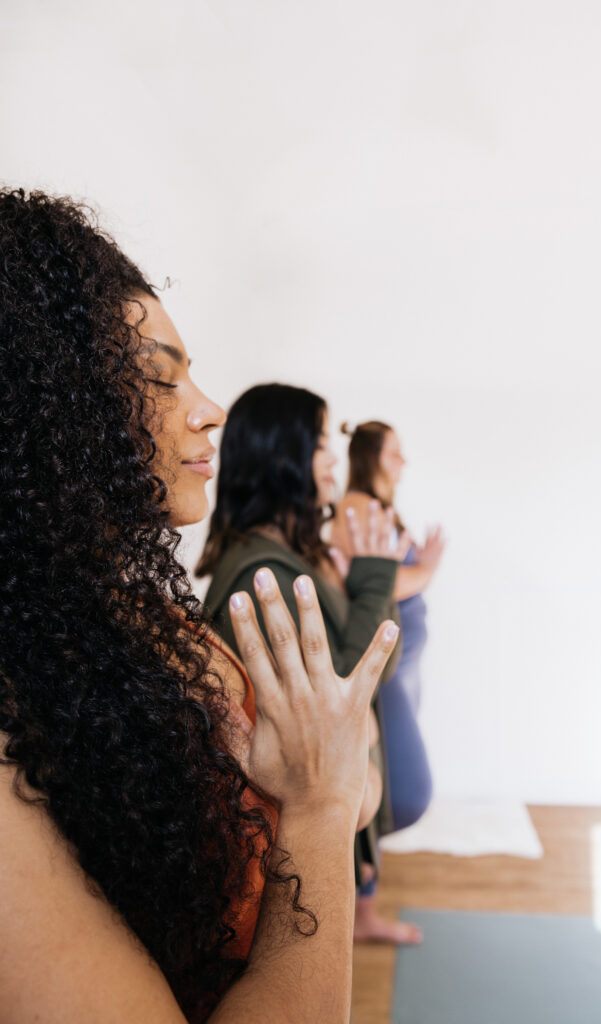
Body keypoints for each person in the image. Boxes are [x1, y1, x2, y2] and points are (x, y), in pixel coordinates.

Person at [0, 189, 399, 1024]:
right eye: (160, 375)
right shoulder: (257, 573)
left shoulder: (136, 616)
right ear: (48, 414)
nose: (210, 407)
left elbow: (326, 779)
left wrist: (328, 780)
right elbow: (322, 793)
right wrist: (322, 809)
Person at [196, 383, 412, 944]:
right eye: (319, 445)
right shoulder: (262, 574)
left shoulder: (286, 556)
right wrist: (373, 578)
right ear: (282, 456)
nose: (332, 462)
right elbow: (347, 688)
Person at [331, 420, 446, 942]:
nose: (403, 462)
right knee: (403, 790)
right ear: (372, 457)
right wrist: (429, 570)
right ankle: (353, 909)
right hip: (383, 675)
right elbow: (376, 581)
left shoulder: (378, 510)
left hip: (405, 671)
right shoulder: (355, 506)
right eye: (395, 453)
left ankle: (363, 913)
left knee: (390, 781)